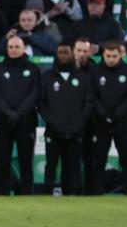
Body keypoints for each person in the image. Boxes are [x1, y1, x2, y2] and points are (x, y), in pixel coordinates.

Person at [40, 43, 93, 196]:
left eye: (66, 52)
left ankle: (73, 195)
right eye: (60, 52)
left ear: (71, 55)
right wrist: (53, 122)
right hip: (53, 131)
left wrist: (78, 124)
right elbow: (42, 104)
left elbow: (88, 103)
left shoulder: (83, 78)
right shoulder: (47, 77)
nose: (63, 55)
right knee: (51, 165)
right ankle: (47, 195)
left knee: (73, 166)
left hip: (76, 131)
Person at [0, 35, 40, 195]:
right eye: (10, 47)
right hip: (4, 121)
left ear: (24, 48)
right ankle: (4, 192)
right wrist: (8, 112)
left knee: (26, 160)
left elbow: (35, 93)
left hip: (26, 121)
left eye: (17, 47)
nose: (13, 50)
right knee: (3, 160)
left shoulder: (33, 68)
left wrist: (19, 113)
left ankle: (26, 192)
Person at [91, 41, 127, 195]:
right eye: (108, 56)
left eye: (114, 56)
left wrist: (116, 114)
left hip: (123, 123)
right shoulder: (95, 71)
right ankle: (96, 193)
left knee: (126, 160)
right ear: (103, 55)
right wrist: (104, 114)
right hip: (101, 123)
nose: (111, 59)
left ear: (120, 55)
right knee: (99, 160)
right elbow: (92, 96)